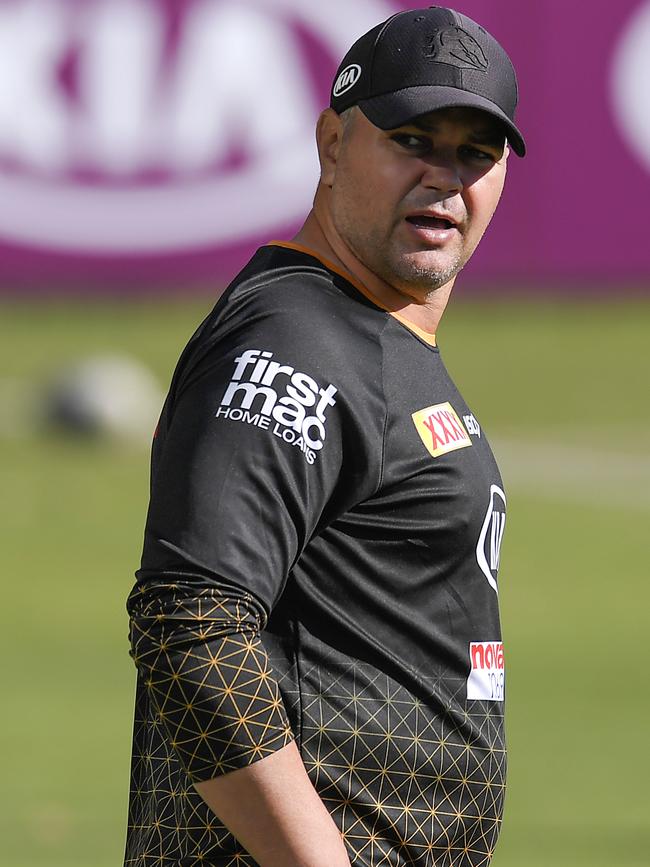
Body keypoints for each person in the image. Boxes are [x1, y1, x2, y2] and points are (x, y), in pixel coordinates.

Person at [124, 6, 526, 866]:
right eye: (413, 139)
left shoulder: (369, 333)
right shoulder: (294, 340)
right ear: (333, 143)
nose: (445, 178)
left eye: (475, 154)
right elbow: (190, 622)